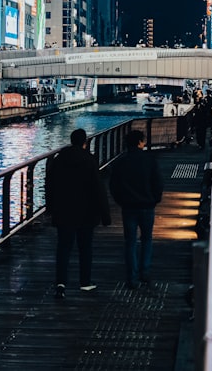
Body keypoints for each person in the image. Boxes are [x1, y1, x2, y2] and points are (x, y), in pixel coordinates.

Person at [45, 128, 112, 299]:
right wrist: (105, 214)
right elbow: (98, 189)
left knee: (63, 248)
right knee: (85, 247)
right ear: (85, 143)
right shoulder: (89, 160)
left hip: (63, 211)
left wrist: (50, 208)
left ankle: (61, 283)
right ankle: (85, 281)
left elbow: (50, 186)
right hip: (86, 212)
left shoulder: (58, 160)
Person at [109, 129, 163, 289]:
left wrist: (120, 201)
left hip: (128, 206)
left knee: (130, 242)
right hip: (147, 205)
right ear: (140, 142)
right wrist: (155, 199)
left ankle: (131, 277)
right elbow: (158, 182)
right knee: (147, 239)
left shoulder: (120, 162)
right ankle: (144, 271)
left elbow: (113, 186)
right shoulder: (150, 159)